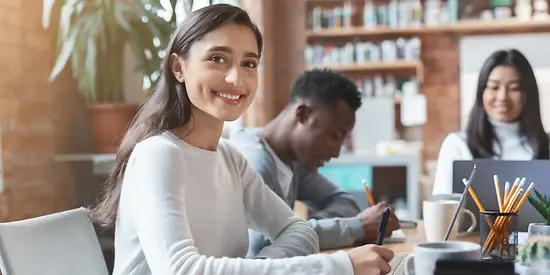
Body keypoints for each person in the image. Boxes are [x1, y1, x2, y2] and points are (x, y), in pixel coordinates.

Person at [90, 4, 395, 275]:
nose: (236, 78)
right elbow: (182, 271)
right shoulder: (158, 154)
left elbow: (298, 230)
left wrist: (265, 269)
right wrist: (339, 266)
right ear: (178, 67)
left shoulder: (229, 157)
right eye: (217, 59)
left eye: (249, 63)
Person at [228, 69, 400, 255]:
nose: (336, 152)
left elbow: (344, 201)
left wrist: (304, 227)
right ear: (303, 115)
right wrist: (357, 227)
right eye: (335, 136)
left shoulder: (293, 162)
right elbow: (264, 246)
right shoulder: (253, 161)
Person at [432, 49, 549, 195]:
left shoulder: (546, 146)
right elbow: (441, 210)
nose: (502, 97)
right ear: (482, 91)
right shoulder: (457, 145)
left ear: (528, 95)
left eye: (514, 88)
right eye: (494, 87)